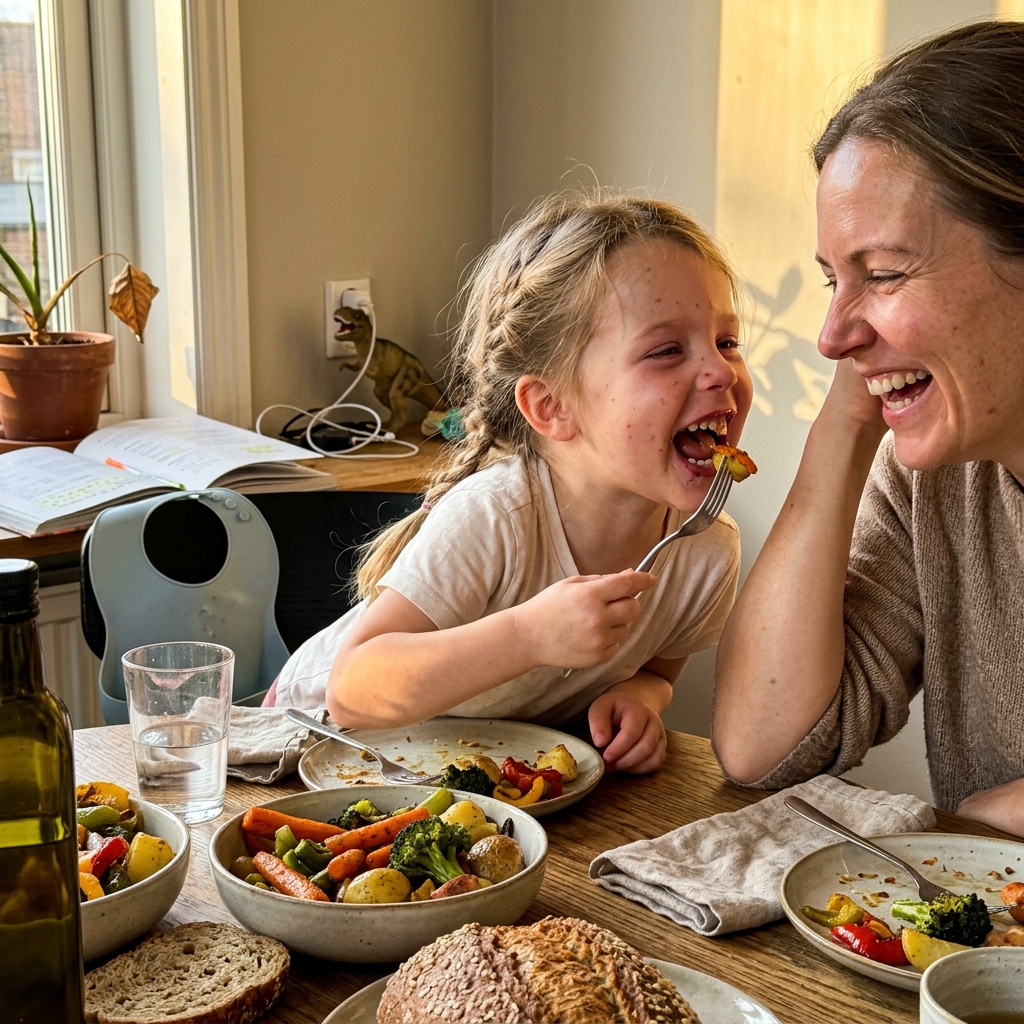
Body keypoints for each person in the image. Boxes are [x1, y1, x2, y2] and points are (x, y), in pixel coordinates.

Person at [269, 192, 753, 773]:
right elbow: (353, 686)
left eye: (727, 342)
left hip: (462, 772)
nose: (722, 370)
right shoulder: (497, 516)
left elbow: (655, 667)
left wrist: (643, 695)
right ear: (550, 406)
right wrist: (527, 635)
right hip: (310, 744)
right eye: (666, 350)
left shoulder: (704, 550)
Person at [713, 22, 1024, 835]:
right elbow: (763, 744)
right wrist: (845, 430)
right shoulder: (938, 477)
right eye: (831, 279)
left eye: (882, 274)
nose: (830, 333)